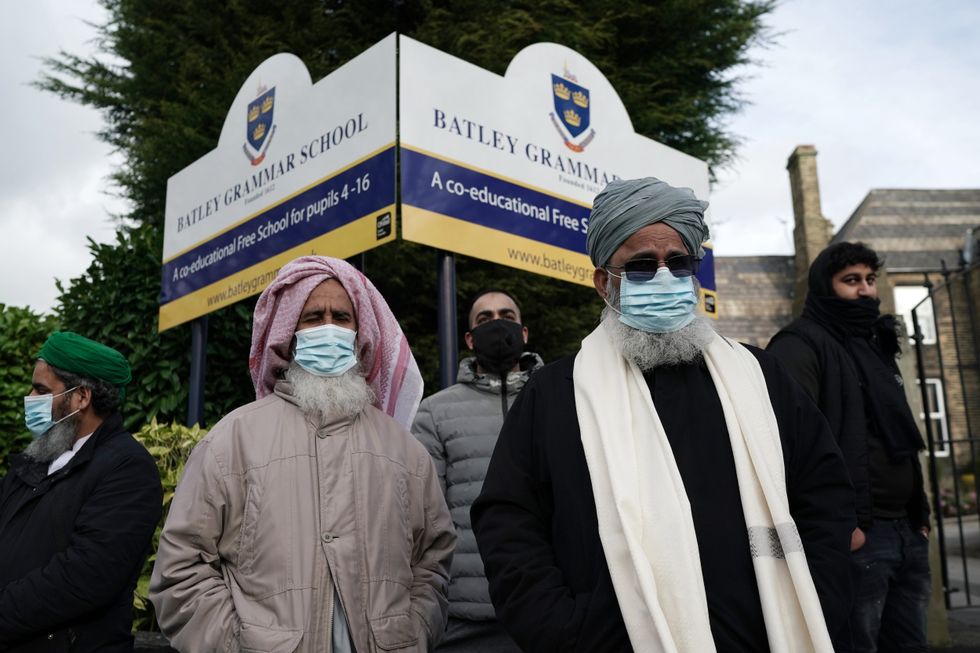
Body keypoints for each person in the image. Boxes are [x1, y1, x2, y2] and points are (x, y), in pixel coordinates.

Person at [471, 177, 856, 653]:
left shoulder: (759, 376)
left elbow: (825, 496)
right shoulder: (555, 394)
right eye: (640, 266)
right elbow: (509, 523)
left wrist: (819, 595)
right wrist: (564, 630)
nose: (663, 278)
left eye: (678, 263)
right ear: (603, 282)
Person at [150, 256, 456, 653]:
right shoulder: (232, 439)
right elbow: (181, 570)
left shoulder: (405, 450)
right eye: (313, 317)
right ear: (288, 333)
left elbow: (433, 560)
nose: (329, 327)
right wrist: (237, 645)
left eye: (342, 317)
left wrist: (412, 635)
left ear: (359, 331)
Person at [767, 241, 930, 653]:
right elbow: (788, 443)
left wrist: (920, 515)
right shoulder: (799, 345)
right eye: (851, 281)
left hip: (906, 532)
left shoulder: (873, 345)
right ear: (825, 286)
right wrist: (842, 527)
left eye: (870, 280)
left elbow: (899, 436)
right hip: (857, 537)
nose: (865, 291)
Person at [0, 331, 162, 652]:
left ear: (82, 397)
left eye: (42, 390)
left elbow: (84, 578)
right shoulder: (34, 458)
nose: (29, 396)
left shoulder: (128, 469)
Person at [413, 289, 542, 651]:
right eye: (484, 319)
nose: (497, 324)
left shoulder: (561, 400)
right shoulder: (434, 413)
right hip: (465, 621)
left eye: (507, 315)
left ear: (525, 333)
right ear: (469, 338)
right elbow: (424, 521)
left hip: (548, 612)